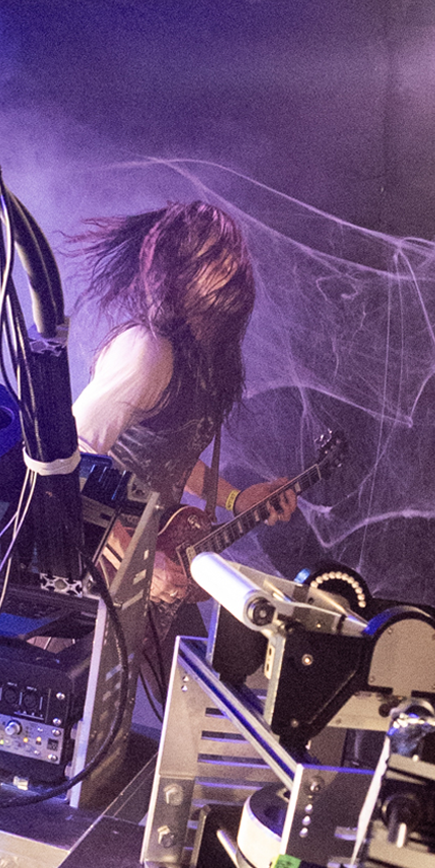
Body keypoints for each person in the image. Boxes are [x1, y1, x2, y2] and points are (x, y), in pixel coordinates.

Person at [69, 201, 297, 603]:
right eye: (214, 255)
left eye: (233, 255)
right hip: (96, 570)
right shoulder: (147, 350)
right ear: (178, 269)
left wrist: (236, 499)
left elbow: (170, 457)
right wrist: (135, 562)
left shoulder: (207, 360)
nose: (232, 267)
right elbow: (69, 455)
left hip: (149, 571)